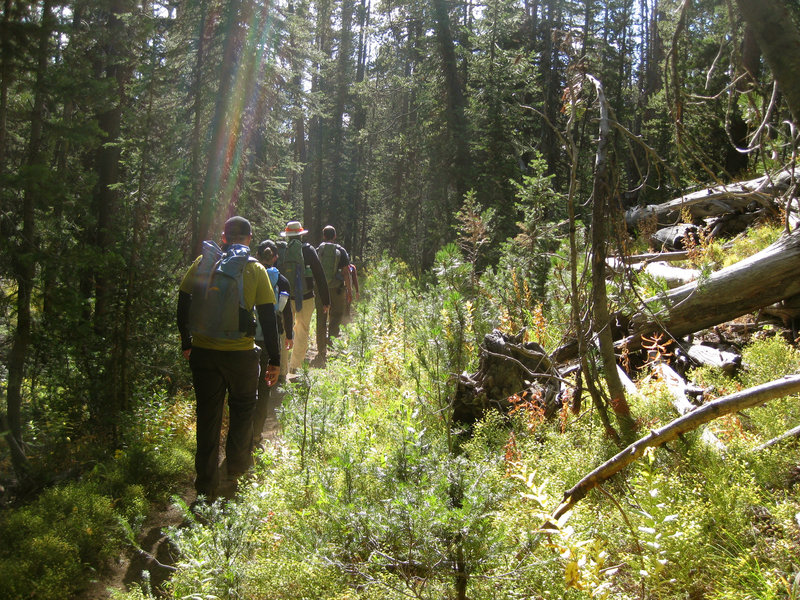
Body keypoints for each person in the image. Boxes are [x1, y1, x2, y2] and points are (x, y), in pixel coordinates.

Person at [176, 216, 281, 501]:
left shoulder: (203, 263)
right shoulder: (256, 269)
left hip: (204, 354)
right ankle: (235, 474)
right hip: (241, 356)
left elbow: (183, 300)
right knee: (243, 412)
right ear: (249, 238)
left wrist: (187, 341)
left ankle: (206, 486)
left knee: (208, 418)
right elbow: (269, 318)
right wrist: (275, 360)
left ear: (224, 237)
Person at [252, 239, 293, 445]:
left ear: (258, 255)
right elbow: (286, 311)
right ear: (275, 257)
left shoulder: (248, 274)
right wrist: (289, 335)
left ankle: (242, 432)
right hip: (271, 337)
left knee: (246, 386)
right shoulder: (282, 280)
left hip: (247, 338)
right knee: (263, 387)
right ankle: (257, 434)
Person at [278, 220, 330, 373]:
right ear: (300, 235)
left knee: (284, 331)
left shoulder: (282, 250)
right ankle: (295, 366)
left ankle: (282, 369)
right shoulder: (308, 250)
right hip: (306, 298)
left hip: (284, 298)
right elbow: (319, 275)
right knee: (302, 330)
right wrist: (326, 300)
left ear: (287, 235)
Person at [313, 225, 353, 366]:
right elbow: (346, 273)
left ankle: (321, 350)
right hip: (337, 289)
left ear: (324, 236)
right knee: (336, 315)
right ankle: (332, 343)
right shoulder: (341, 251)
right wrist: (349, 291)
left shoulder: (318, 250)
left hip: (321, 290)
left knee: (321, 318)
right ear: (334, 236)